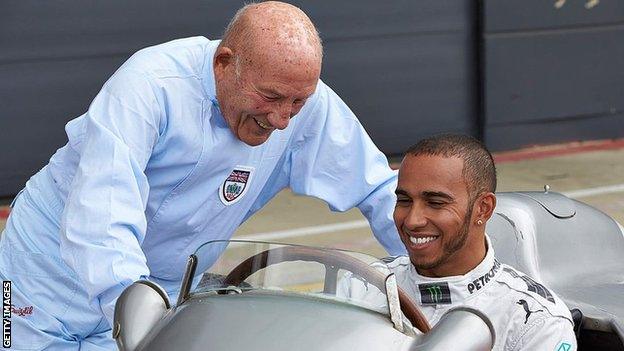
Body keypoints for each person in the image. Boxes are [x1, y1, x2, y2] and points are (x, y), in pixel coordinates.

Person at [0, 2, 405, 350]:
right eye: (271, 98)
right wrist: (138, 314)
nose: (283, 119)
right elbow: (101, 214)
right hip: (44, 272)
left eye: (298, 101)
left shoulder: (305, 101)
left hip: (160, 286)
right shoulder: (150, 85)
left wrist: (437, 272)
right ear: (224, 63)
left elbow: (381, 190)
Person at [340, 134, 577, 351]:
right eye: (404, 200)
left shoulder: (536, 321)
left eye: (435, 203)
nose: (412, 220)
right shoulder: (359, 287)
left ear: (483, 208)